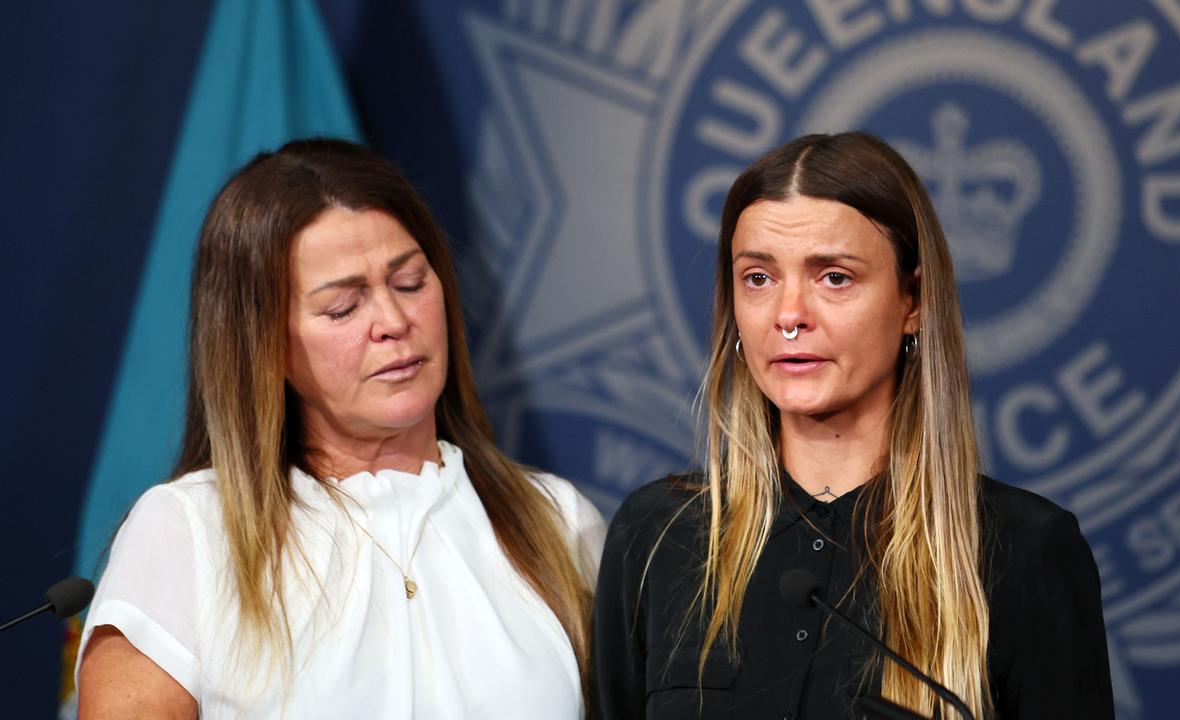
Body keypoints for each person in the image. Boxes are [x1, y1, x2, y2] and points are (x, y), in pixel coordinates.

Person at [589, 132, 1114, 719]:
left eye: (833, 277)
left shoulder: (1025, 549)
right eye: (758, 278)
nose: (789, 316)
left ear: (911, 300)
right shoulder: (656, 536)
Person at [76, 139, 606, 719]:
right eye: (342, 309)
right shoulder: (189, 532)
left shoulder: (558, 522)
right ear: (263, 344)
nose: (395, 322)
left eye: (409, 283)